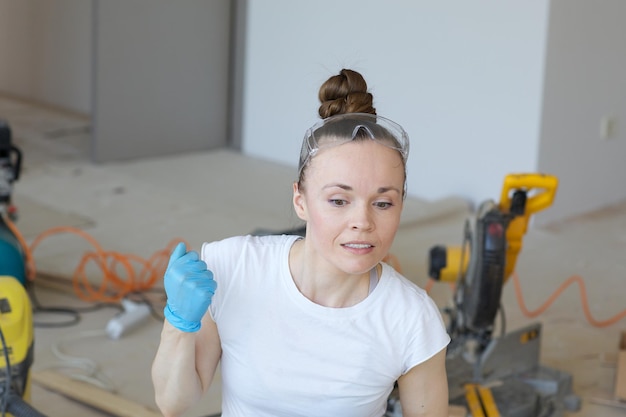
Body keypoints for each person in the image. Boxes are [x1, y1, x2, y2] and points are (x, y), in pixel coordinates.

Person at [152, 68, 450, 417]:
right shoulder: (233, 267)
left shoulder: (411, 318)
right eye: (339, 200)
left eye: (383, 203)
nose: (363, 222)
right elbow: (173, 404)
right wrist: (178, 321)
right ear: (301, 201)